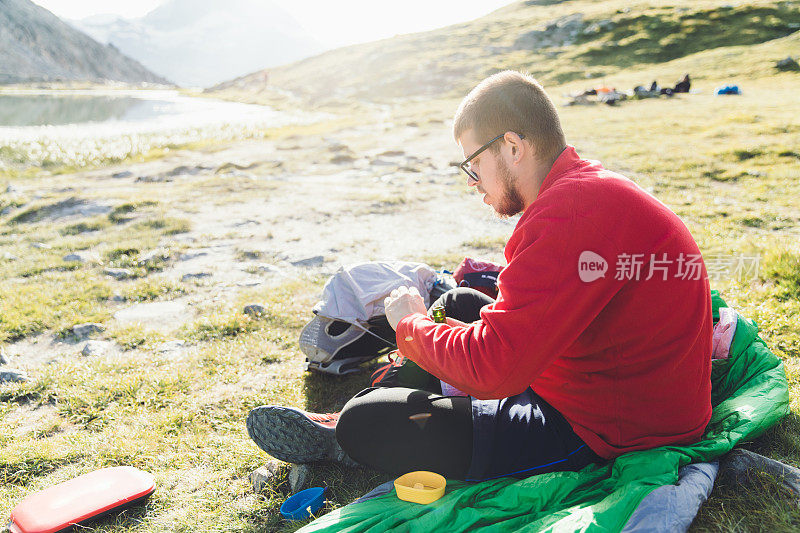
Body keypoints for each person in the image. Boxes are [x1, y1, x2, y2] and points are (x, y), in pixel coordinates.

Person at [246, 70, 713, 482]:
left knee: (368, 422)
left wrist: (409, 326)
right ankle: (369, 403)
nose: (472, 182)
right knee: (462, 303)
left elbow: (495, 370)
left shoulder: (568, 217)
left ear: (513, 147)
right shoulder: (583, 191)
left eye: (472, 165)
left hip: (612, 428)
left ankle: (343, 432)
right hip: (618, 385)